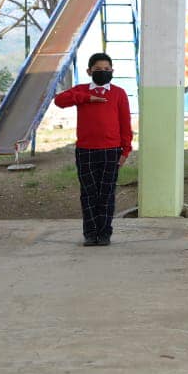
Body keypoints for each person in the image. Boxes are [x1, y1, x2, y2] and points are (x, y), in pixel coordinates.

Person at [54, 53, 132, 247]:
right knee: (88, 194)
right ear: (89, 71)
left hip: (111, 151)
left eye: (107, 70)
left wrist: (125, 151)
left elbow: (125, 124)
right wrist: (87, 98)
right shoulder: (81, 91)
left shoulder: (119, 93)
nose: (103, 73)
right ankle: (90, 234)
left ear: (112, 71)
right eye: (98, 70)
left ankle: (104, 233)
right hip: (85, 151)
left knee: (106, 193)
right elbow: (60, 100)